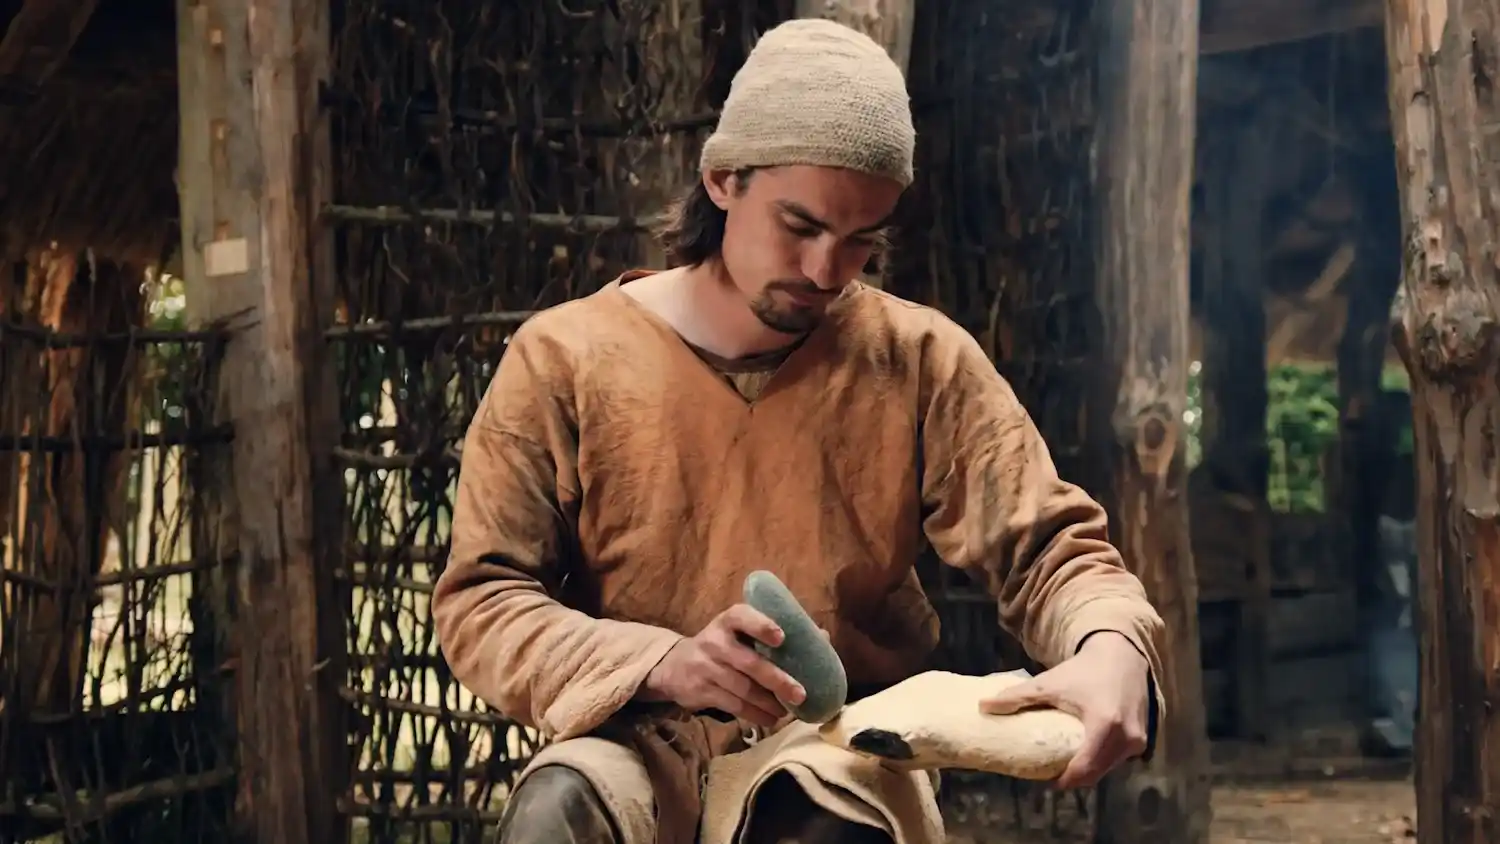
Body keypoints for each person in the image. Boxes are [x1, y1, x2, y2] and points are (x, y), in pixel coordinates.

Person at [433, 17, 1166, 844]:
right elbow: (483, 600)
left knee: (826, 824)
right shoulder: (564, 358)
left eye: (860, 241)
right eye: (801, 226)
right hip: (632, 733)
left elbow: (1052, 549)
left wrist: (1111, 645)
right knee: (554, 814)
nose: (826, 271)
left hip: (831, 745)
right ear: (722, 180)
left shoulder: (917, 358)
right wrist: (660, 662)